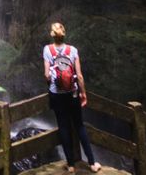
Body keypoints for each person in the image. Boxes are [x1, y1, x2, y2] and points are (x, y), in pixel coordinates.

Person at [44, 22, 102, 173]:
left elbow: (47, 75)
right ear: (64, 33)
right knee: (79, 126)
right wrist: (83, 93)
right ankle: (92, 163)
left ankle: (70, 165)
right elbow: (80, 76)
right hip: (73, 94)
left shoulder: (47, 50)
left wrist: (54, 82)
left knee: (63, 127)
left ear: (52, 34)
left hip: (56, 94)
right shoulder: (73, 50)